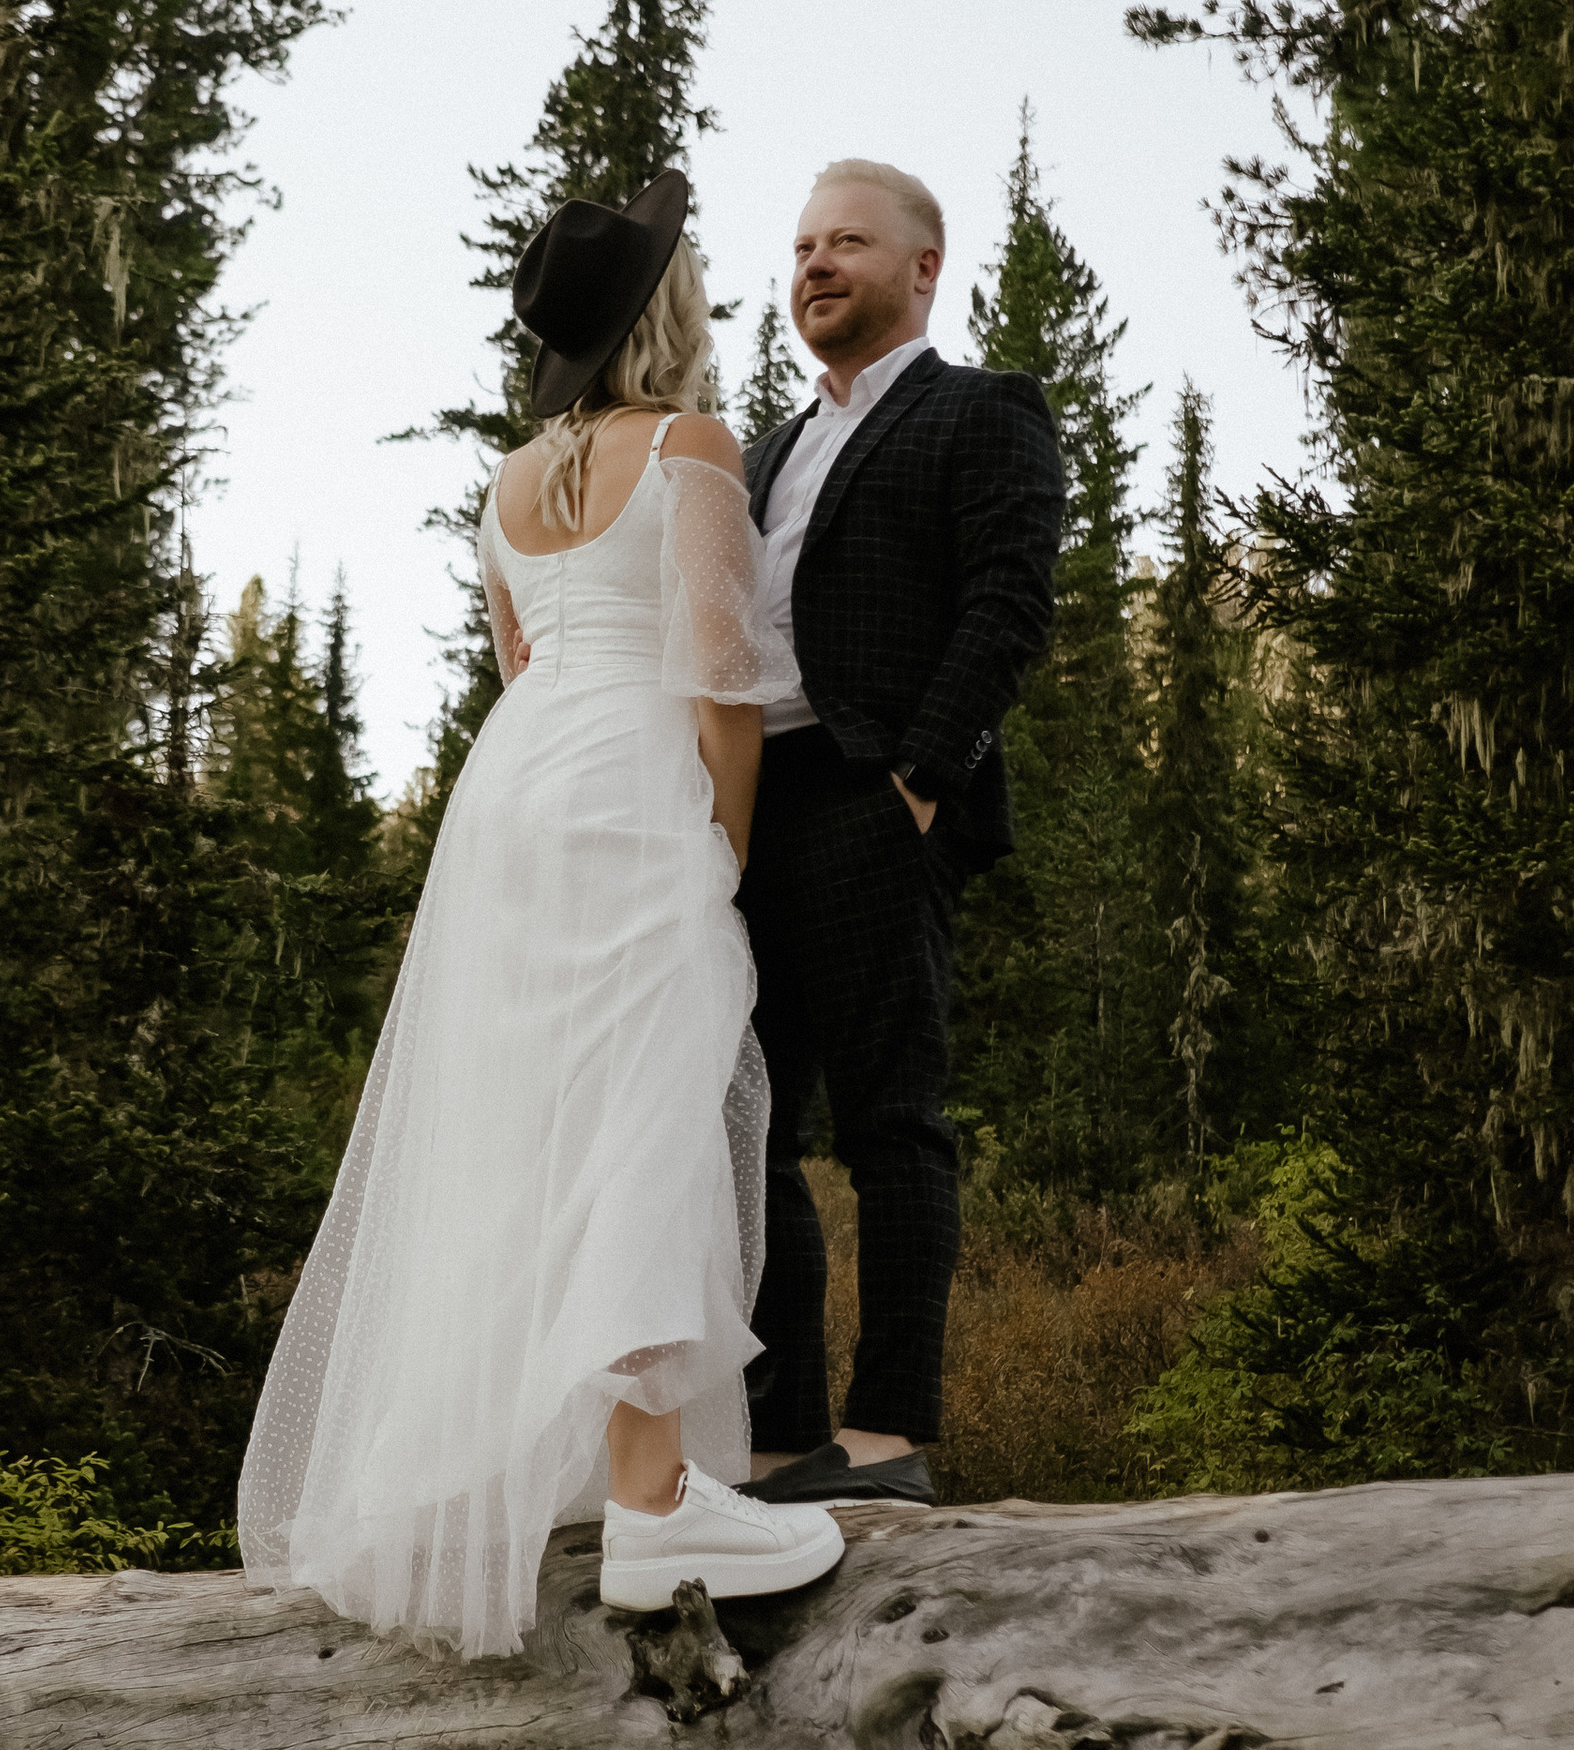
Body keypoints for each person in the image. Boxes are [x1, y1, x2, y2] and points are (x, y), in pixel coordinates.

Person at [238, 170, 844, 1657]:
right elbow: (723, 684)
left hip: (513, 799)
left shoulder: (506, 483)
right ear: (669, 314)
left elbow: (524, 661)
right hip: (635, 791)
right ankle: (650, 1500)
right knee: (647, 1108)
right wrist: (724, 862)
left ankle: (533, 1473)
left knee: (531, 1126)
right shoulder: (692, 445)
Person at [738, 159, 1064, 1507]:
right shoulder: (756, 450)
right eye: (805, 245)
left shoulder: (981, 411)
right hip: (744, 815)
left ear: (922, 268)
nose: (816, 264)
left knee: (892, 1123)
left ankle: (886, 1442)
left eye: (849, 243)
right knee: (742, 1133)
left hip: (874, 798)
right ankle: (772, 1442)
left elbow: (1008, 605)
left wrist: (921, 780)